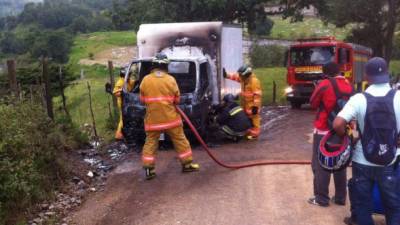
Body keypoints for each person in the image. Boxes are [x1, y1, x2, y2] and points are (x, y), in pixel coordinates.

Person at [333, 57, 400, 225]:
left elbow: (338, 123)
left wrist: (347, 138)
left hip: (362, 160)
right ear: (387, 74)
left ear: (366, 77)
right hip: (390, 160)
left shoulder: (358, 99)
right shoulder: (398, 97)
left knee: (363, 205)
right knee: (393, 206)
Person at [139, 52, 200, 180]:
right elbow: (177, 100)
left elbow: (142, 100)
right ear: (166, 66)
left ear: (153, 65)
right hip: (171, 120)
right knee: (180, 140)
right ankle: (187, 164)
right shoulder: (170, 80)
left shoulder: (145, 80)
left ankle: (149, 170)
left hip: (153, 120)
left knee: (150, 142)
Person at [308, 62, 354, 207]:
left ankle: (321, 198)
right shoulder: (349, 85)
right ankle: (340, 198)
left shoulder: (325, 84)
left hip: (323, 130)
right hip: (342, 130)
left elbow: (313, 103)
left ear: (325, 73)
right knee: (340, 163)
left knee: (321, 163)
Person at [223, 65, 262, 139]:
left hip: (252, 107)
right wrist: (226, 75)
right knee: (247, 121)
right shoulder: (244, 79)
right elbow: (235, 77)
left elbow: (257, 95)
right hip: (246, 105)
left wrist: (255, 107)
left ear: (246, 74)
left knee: (254, 121)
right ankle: (248, 134)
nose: (240, 76)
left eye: (241, 75)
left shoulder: (254, 81)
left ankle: (254, 136)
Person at [113, 68, 135, 140]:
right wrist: (122, 93)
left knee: (126, 118)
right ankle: (118, 135)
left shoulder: (127, 81)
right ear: (125, 75)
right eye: (129, 74)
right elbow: (115, 92)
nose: (130, 76)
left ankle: (125, 133)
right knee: (122, 119)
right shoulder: (120, 82)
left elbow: (132, 83)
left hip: (127, 102)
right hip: (122, 103)